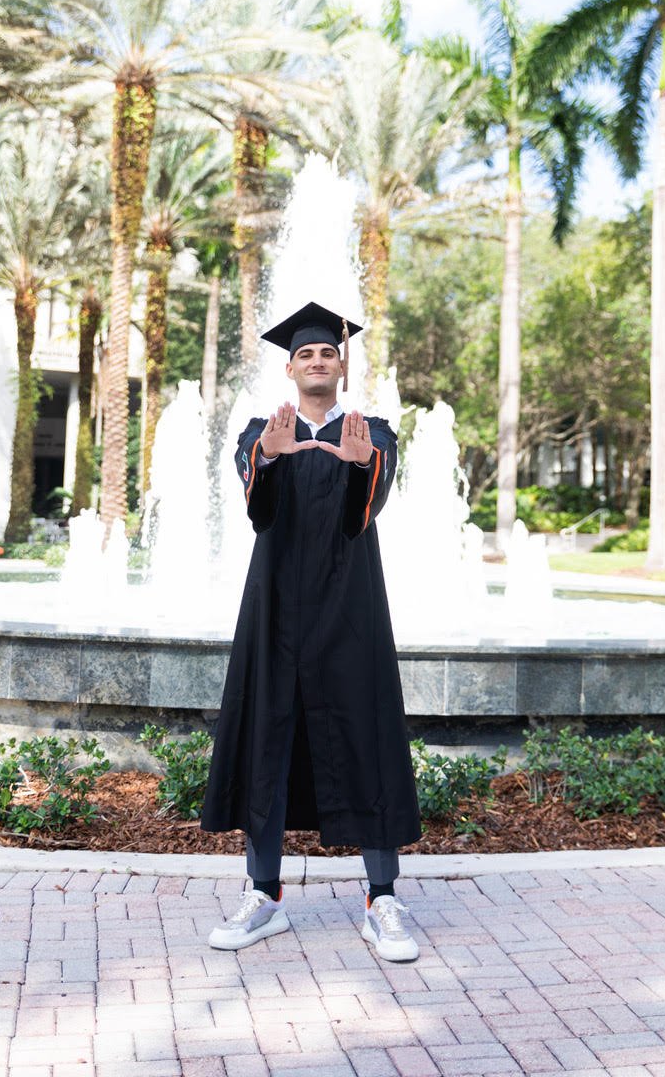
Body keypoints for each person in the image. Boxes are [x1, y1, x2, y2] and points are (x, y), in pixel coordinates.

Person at [201, 301, 422, 961]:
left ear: (341, 366)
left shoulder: (372, 431)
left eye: (328, 352)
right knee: (266, 739)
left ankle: (381, 899)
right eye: (306, 354)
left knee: (366, 737)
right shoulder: (261, 432)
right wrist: (266, 460)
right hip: (274, 612)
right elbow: (259, 512)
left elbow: (366, 510)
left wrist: (360, 464)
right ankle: (263, 896)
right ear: (290, 368)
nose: (318, 361)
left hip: (351, 610)